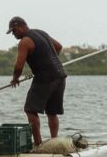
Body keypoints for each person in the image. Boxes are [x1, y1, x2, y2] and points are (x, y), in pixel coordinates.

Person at [6, 16, 65, 147]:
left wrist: (15, 79)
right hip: (60, 75)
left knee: (30, 109)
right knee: (52, 111)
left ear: (21, 27)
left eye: (14, 31)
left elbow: (18, 66)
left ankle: (38, 145)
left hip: (45, 78)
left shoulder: (25, 42)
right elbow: (59, 47)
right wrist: (49, 61)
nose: (14, 35)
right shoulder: (41, 33)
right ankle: (54, 142)